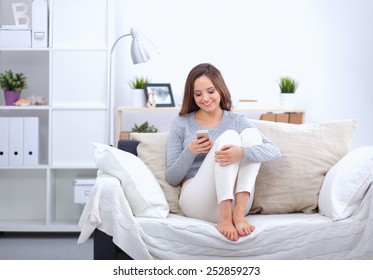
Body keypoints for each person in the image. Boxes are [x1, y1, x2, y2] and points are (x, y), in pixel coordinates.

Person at [166, 63, 281, 241]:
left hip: (237, 201)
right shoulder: (181, 123)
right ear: (192, 96)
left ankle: (238, 214)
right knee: (229, 137)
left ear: (220, 89)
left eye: (210, 91)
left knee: (249, 135)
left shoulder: (237, 120)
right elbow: (171, 178)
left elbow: (274, 151)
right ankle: (224, 217)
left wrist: (242, 153)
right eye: (198, 94)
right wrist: (190, 151)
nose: (205, 98)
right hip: (197, 200)